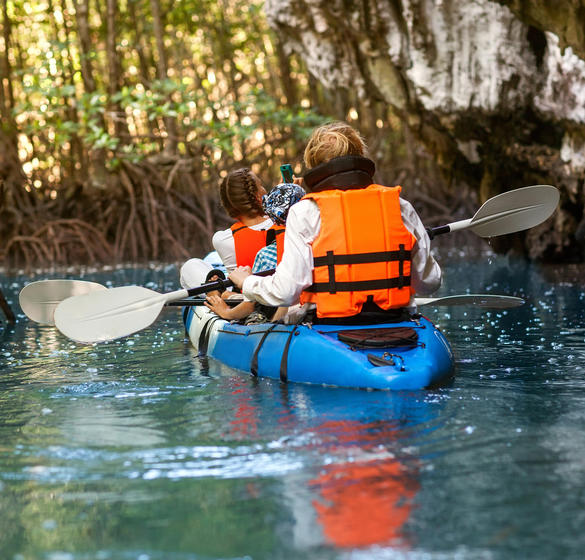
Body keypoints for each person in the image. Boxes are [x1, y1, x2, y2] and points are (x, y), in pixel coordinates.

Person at [228, 121, 441, 323]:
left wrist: (246, 282)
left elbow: (285, 292)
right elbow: (429, 283)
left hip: (328, 325)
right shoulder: (401, 206)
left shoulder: (304, 212)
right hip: (396, 320)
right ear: (360, 159)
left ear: (313, 166)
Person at [205, 182, 306, 322]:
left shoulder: (264, 254)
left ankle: (222, 294)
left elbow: (251, 304)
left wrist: (226, 313)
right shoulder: (314, 241)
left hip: (270, 305)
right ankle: (225, 294)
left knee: (193, 267)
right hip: (307, 306)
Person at [180, 167, 284, 290]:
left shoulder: (222, 239)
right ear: (257, 196)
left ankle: (222, 294)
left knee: (190, 266)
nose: (264, 189)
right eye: (261, 185)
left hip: (245, 295)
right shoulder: (285, 222)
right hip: (280, 290)